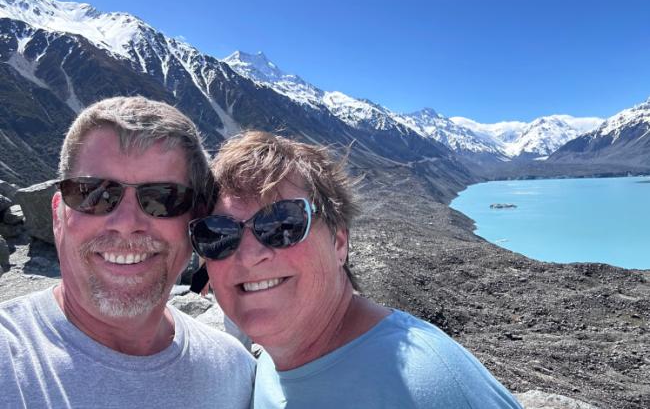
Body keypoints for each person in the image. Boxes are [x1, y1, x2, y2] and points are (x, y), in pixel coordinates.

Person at [189, 131, 523, 408]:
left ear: (338, 242)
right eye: (218, 233)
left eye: (282, 223)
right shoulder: (270, 369)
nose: (249, 256)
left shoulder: (426, 388)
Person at [0, 97, 255, 408]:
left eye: (163, 198)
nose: (126, 224)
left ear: (196, 220)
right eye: (94, 194)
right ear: (58, 216)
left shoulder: (236, 372)